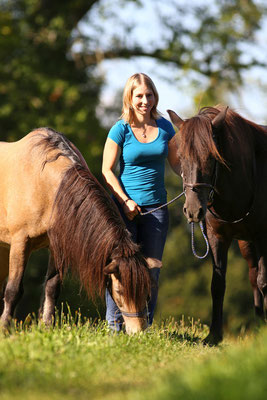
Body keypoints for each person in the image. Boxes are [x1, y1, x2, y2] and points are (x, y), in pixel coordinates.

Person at [102, 73, 180, 331]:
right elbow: (107, 170)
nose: (145, 100)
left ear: (155, 96)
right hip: (125, 210)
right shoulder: (120, 129)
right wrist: (125, 201)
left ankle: (144, 326)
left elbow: (178, 165)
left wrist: (195, 182)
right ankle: (115, 327)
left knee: (152, 271)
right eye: (139, 96)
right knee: (122, 270)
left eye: (149, 95)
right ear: (130, 98)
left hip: (157, 209)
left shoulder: (166, 127)